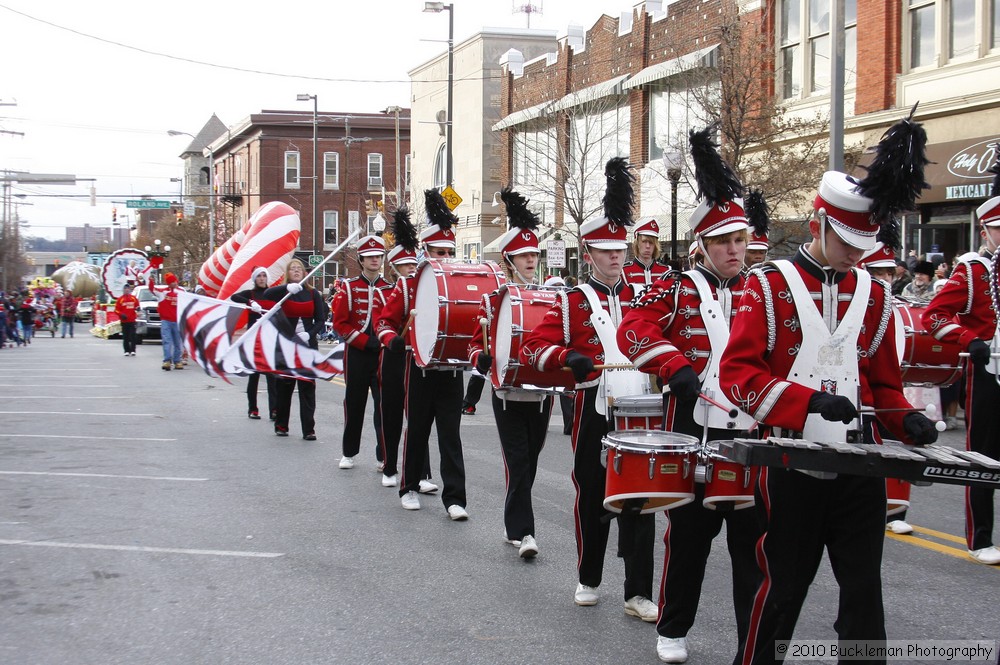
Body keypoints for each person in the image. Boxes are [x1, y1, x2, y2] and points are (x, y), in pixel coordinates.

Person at [720, 117, 939, 664]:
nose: (857, 255)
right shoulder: (766, 286)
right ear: (818, 224)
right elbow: (738, 375)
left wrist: (902, 419)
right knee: (783, 590)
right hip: (791, 463)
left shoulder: (876, 295)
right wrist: (805, 402)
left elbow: (883, 383)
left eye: (865, 244)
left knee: (864, 590)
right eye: (847, 241)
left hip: (859, 466)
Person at [618, 129, 762, 664]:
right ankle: (673, 629)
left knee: (754, 548)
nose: (733, 250)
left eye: (740, 240)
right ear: (702, 244)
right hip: (695, 439)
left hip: (751, 440)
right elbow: (631, 328)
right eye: (723, 241)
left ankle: (755, 643)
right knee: (690, 544)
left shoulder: (762, 290)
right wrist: (673, 364)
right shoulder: (676, 287)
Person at [521, 158, 657, 620]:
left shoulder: (647, 296)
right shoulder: (570, 300)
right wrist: (567, 358)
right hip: (594, 409)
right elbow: (533, 348)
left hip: (643, 407)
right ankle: (590, 577)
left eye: (621, 248)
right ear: (588, 252)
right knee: (595, 494)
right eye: (605, 251)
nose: (616, 257)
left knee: (643, 496)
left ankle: (637, 591)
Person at [468, 186, 552, 559]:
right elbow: (475, 345)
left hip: (541, 394)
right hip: (506, 393)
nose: (531, 260)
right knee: (518, 460)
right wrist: (481, 360)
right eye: (523, 255)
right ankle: (525, 532)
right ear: (508, 260)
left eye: (534, 253)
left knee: (530, 462)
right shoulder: (493, 301)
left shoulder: (553, 297)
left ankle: (511, 523)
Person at [922, 170, 1000, 566]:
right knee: (983, 456)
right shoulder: (974, 271)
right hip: (989, 372)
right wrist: (969, 339)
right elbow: (934, 316)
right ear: (986, 231)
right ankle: (980, 536)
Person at [383, 190, 467, 519]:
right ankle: (409, 486)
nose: (445, 257)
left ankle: (456, 498)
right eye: (439, 251)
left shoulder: (460, 286)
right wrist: (391, 338)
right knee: (417, 429)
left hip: (450, 371)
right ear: (426, 252)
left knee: (450, 435)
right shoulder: (408, 286)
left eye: (449, 251)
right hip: (418, 369)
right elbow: (385, 322)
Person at [374, 207, 435, 492]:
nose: (411, 270)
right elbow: (382, 322)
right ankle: (389, 465)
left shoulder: (423, 286)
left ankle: (421, 472)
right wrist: (391, 339)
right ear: (395, 268)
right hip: (395, 356)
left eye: (413, 265)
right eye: (405, 267)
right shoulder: (391, 290)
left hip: (418, 357)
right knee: (392, 412)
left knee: (419, 417)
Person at [859, 242, 917, 536]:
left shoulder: (892, 306)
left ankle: (897, 506)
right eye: (876, 271)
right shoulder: (859, 304)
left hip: (887, 389)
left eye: (888, 272)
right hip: (857, 396)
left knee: (897, 441)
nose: (885, 278)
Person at [332, 235, 391, 469]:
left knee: (383, 407)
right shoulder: (349, 287)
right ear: (361, 260)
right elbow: (340, 324)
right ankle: (349, 452)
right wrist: (365, 342)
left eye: (378, 256)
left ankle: (383, 455)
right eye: (370, 257)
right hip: (357, 354)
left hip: (382, 355)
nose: (375, 260)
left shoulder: (390, 288)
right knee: (354, 403)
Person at [261, 259, 327, 440]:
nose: (296, 271)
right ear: (287, 273)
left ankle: (309, 429)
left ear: (305, 273)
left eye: (299, 269)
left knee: (307, 389)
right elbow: (266, 294)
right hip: (286, 347)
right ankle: (281, 425)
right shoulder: (283, 293)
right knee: (285, 387)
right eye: (293, 269)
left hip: (307, 347)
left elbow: (321, 320)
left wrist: (310, 334)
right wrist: (286, 289)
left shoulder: (313, 294)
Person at [230, 266, 278, 420]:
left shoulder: (273, 293)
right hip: (254, 338)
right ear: (254, 279)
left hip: (269, 337)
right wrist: (250, 302)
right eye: (259, 276)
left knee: (272, 376)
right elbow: (234, 297)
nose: (262, 278)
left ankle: (274, 409)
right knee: (254, 374)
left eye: (264, 275)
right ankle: (253, 408)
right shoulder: (250, 293)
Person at [149, 273, 185, 370]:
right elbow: (152, 290)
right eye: (171, 282)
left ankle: (177, 360)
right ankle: (167, 361)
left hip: (177, 321)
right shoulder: (162, 292)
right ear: (168, 283)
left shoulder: (181, 292)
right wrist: (151, 281)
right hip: (166, 321)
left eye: (174, 281)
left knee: (178, 342)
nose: (174, 283)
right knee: (167, 341)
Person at [622, 217, 670, 290]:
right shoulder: (624, 271)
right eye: (644, 242)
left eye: (651, 242)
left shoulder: (666, 270)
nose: (647, 246)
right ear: (637, 243)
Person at [115, 282, 140, 356]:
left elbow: (137, 306)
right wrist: (121, 314)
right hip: (124, 321)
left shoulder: (133, 298)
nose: (126, 290)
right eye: (125, 289)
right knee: (125, 336)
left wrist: (138, 309)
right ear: (123, 290)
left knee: (133, 336)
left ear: (130, 290)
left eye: (128, 288)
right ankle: (126, 350)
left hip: (132, 320)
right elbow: (116, 310)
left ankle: (133, 350)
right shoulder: (120, 299)